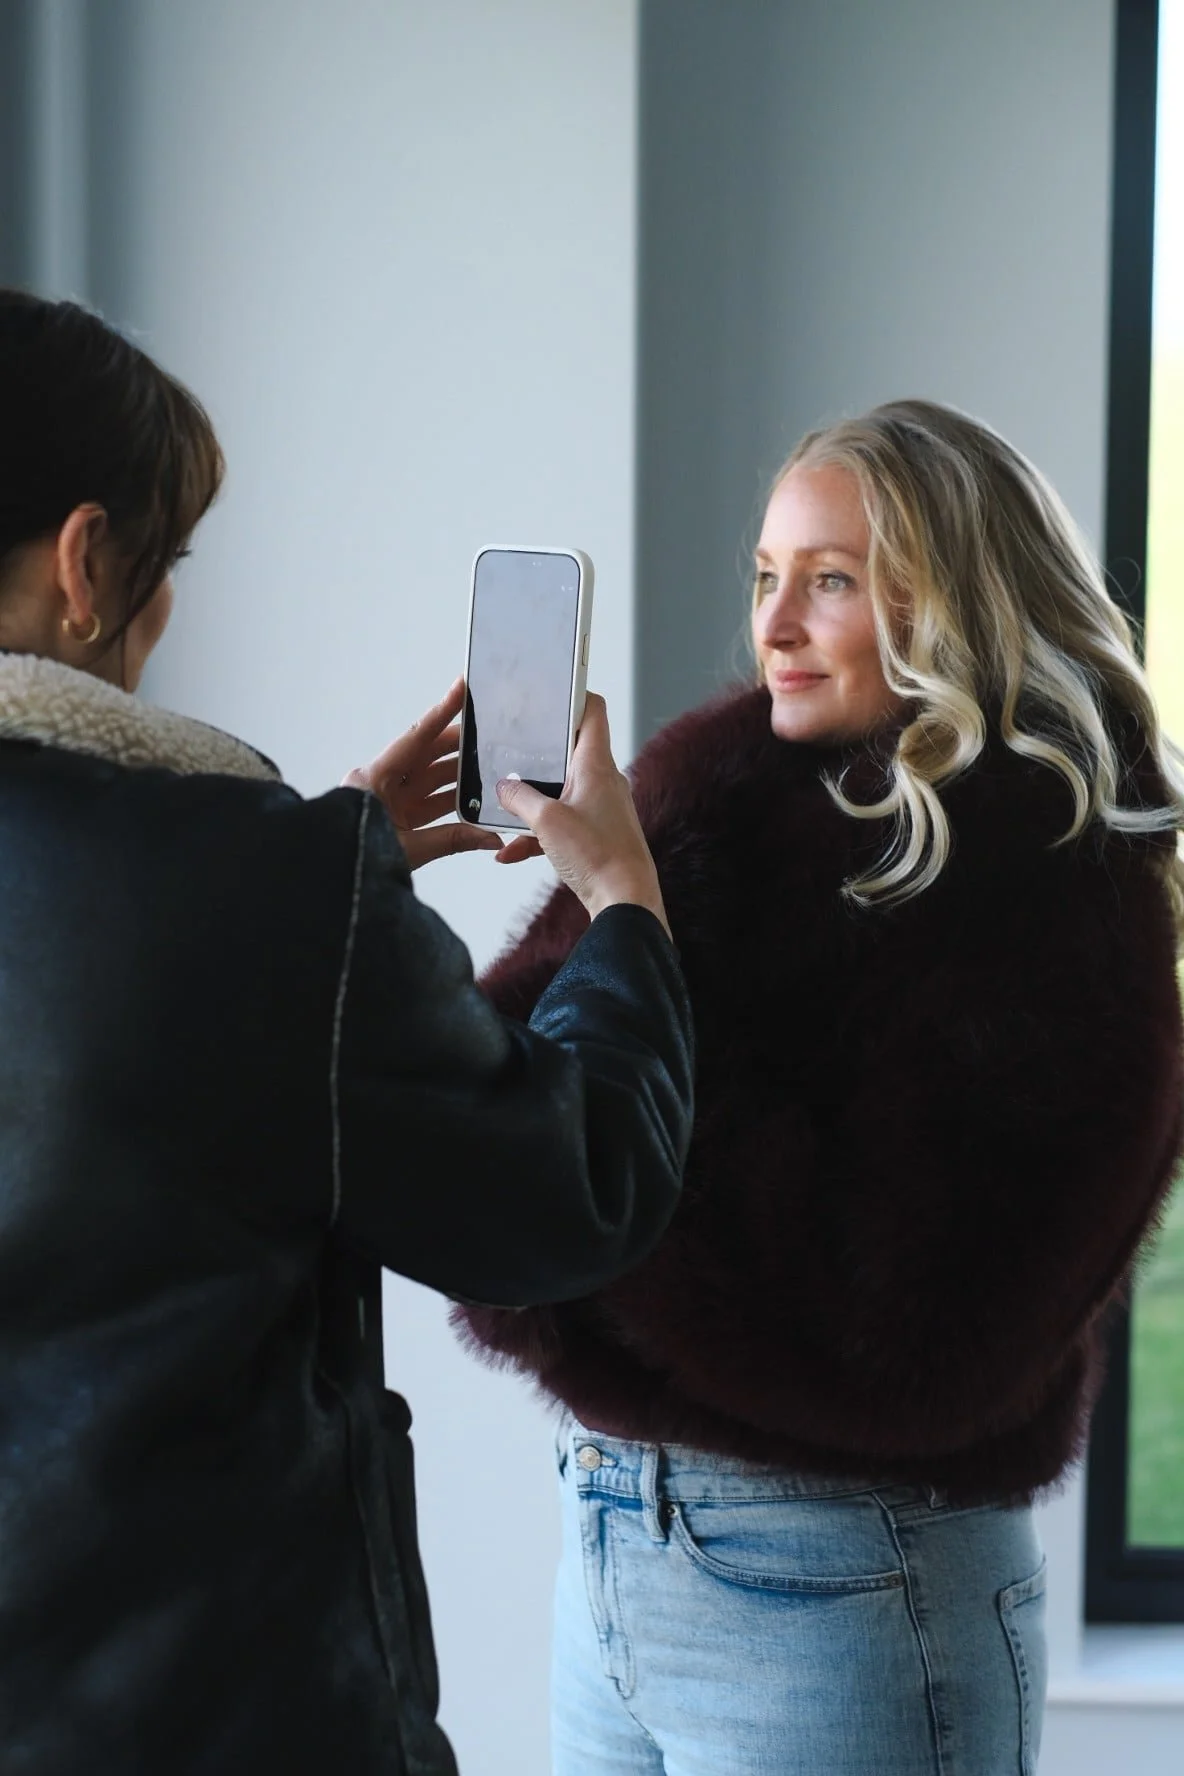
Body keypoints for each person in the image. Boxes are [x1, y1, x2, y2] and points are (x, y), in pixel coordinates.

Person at [0, 288, 695, 1776]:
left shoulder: (273, 881)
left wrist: (325, 861)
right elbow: (566, 1195)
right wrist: (624, 901)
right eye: (163, 560)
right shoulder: (261, 890)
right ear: (84, 561)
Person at [456, 399, 1184, 1776]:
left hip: (849, 1581)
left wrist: (629, 923)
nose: (774, 623)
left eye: (832, 581)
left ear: (957, 603)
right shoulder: (707, 797)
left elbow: (917, 1336)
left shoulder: (1047, 881)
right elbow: (507, 1133)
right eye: (765, 576)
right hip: (613, 1542)